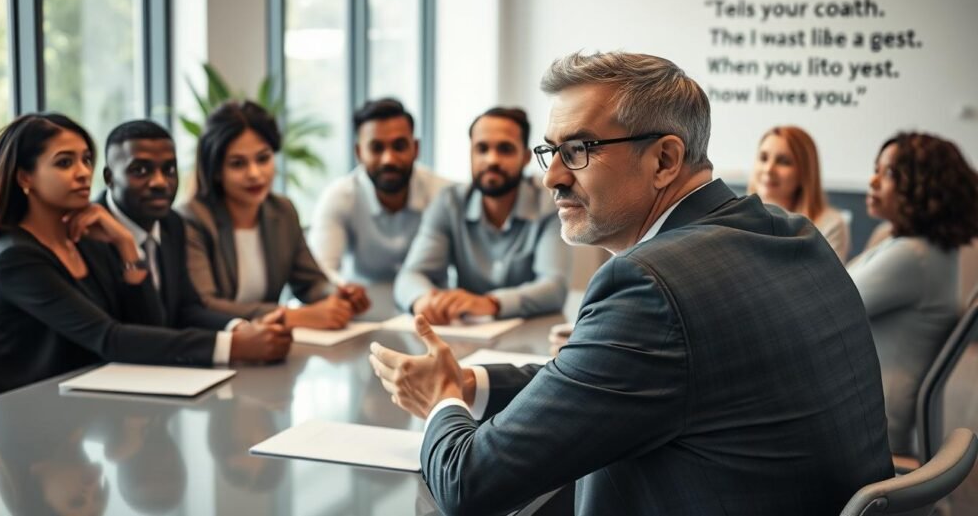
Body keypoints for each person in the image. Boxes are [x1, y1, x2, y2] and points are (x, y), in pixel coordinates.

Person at [369, 52, 892, 515]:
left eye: (578, 149)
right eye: (552, 151)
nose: (552, 177)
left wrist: (441, 400)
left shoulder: (651, 285)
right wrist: (472, 385)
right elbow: (604, 376)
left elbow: (468, 486)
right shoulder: (788, 230)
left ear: (664, 159)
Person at [0, 114, 291, 397]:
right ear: (25, 178)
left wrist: (125, 247)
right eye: (65, 162)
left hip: (93, 398)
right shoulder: (17, 257)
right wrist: (234, 346)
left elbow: (153, 322)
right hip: (30, 409)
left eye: (85, 160)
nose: (82, 173)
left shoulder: (80, 234)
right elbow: (108, 336)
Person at [100, 119, 290, 360]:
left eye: (169, 169)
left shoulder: (172, 224)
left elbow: (187, 309)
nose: (160, 182)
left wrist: (241, 328)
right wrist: (231, 346)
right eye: (140, 170)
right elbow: (113, 336)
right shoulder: (88, 234)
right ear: (109, 177)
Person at [178, 100, 370, 329]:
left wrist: (338, 295)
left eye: (263, 158)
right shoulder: (192, 218)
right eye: (238, 164)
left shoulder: (282, 211)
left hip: (272, 347)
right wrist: (290, 316)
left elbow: (310, 283)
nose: (255, 174)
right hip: (219, 347)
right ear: (217, 171)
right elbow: (205, 304)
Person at [848, 132, 978, 455]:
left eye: (889, 173)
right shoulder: (922, 248)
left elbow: (830, 304)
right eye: (875, 168)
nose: (873, 181)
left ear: (926, 186)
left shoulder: (914, 255)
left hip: (872, 431)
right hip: (872, 418)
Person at [393, 107, 571, 323]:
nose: (491, 160)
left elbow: (554, 287)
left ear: (525, 157)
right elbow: (409, 276)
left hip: (532, 338)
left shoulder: (549, 203)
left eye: (505, 149)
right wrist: (423, 300)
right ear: (470, 153)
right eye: (482, 148)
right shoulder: (449, 202)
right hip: (467, 337)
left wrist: (491, 303)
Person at [308, 98, 448, 286]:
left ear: (416, 148)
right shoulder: (339, 197)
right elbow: (322, 271)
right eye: (376, 148)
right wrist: (342, 289)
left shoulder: (443, 195)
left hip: (429, 306)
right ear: (359, 153)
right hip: (360, 308)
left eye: (399, 146)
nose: (388, 159)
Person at [748, 125, 850, 261]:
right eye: (763, 158)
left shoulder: (830, 224)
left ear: (805, 172)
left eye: (783, 161)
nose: (769, 169)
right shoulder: (738, 218)